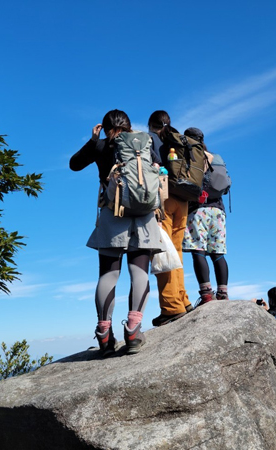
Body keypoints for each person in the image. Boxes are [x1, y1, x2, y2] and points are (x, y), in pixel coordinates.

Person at [70, 110, 165, 356]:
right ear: (129, 125)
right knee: (139, 271)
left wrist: (93, 140)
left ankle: (104, 335)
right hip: (144, 215)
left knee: (109, 274)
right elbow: (159, 169)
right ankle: (133, 331)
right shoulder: (144, 143)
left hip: (113, 213)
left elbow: (74, 165)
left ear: (106, 125)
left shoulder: (101, 146)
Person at [148, 111, 193, 326]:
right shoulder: (176, 139)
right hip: (183, 200)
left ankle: (170, 307)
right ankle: (183, 299)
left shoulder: (151, 139)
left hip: (164, 199)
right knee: (177, 253)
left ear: (151, 124)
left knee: (163, 253)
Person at [181, 127, 229, 304]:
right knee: (218, 253)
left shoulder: (190, 157)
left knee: (198, 252)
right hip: (218, 210)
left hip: (198, 209)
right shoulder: (215, 157)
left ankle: (207, 294)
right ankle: (223, 293)